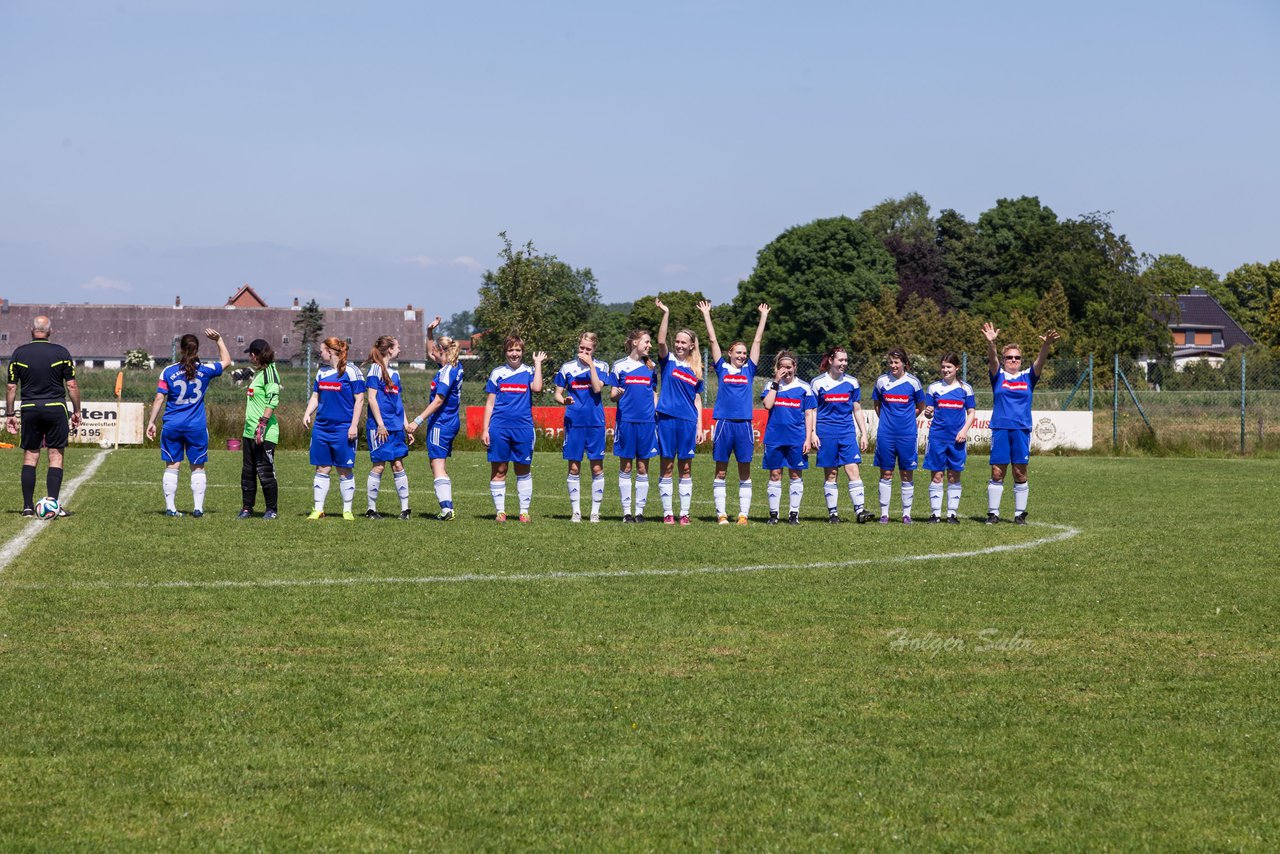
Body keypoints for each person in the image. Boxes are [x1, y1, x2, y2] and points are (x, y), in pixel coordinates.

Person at [145, 328, 232, 517]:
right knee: (198, 466)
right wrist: (219, 339)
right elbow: (226, 362)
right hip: (196, 426)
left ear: (181, 350)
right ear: (197, 349)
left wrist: (151, 422)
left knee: (172, 465)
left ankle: (171, 508)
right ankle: (198, 509)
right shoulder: (205, 370)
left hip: (172, 425)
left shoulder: (168, 371)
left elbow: (160, 398)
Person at [698, 299, 770, 525]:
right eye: (738, 352)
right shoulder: (722, 367)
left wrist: (763, 317)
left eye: (744, 352)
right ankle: (721, 514)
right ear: (730, 353)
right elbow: (712, 339)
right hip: (724, 424)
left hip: (744, 425)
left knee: (744, 471)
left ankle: (743, 515)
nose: (742, 355)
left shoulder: (749, 369)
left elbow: (758, 340)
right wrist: (707, 314)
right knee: (721, 471)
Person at [4, 315, 81, 517]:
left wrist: (10, 413)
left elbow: (12, 386)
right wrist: (77, 410)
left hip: (29, 407)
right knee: (55, 455)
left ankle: (28, 507)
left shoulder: (19, 353)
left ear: (32, 330)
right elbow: (71, 385)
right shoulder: (61, 352)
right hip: (56, 407)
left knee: (30, 455)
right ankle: (53, 504)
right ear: (50, 331)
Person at [983, 322, 1060, 524]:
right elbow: (992, 359)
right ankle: (993, 513)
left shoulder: (1028, 377)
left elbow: (1040, 362)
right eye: (1009, 357)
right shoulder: (998, 375)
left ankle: (1019, 514)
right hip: (1000, 428)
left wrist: (1046, 345)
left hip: (1021, 429)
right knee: (997, 471)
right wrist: (991, 343)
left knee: (1020, 471)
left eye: (1017, 357)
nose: (1013, 360)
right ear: (1004, 359)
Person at [481, 335, 546, 522]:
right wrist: (485, 429)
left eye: (518, 350)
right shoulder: (497, 373)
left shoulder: (529, 371)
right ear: (505, 352)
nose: (514, 354)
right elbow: (490, 404)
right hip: (499, 428)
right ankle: (500, 512)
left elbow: (537, 387)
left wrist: (538, 363)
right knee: (499, 469)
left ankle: (524, 511)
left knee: (523, 469)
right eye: (510, 350)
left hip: (523, 428)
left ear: (522, 352)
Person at [810, 346, 876, 524]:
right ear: (831, 360)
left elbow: (857, 408)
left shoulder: (852, 382)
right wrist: (813, 433)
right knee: (831, 474)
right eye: (840, 360)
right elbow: (812, 411)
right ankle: (833, 514)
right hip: (826, 433)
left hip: (847, 433)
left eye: (846, 360)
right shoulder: (817, 383)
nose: (844, 363)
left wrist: (863, 434)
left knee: (853, 469)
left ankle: (860, 511)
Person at [654, 298, 705, 525]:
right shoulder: (669, 361)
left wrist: (700, 426)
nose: (679, 345)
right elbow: (661, 340)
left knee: (685, 467)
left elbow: (697, 399)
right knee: (667, 465)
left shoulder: (696, 370)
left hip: (687, 421)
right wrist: (666, 312)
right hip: (666, 418)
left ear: (692, 345)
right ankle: (668, 513)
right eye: (678, 341)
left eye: (684, 342)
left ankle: (684, 513)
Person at [303, 337, 365, 520]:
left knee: (344, 469)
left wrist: (353, 425)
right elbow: (315, 396)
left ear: (330, 351)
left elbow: (360, 400)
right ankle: (318, 509)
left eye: (322, 350)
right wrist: (307, 413)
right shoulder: (321, 372)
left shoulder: (352, 371)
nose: (319, 353)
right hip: (321, 427)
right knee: (322, 468)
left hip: (343, 429)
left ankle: (347, 510)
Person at [554, 332, 610, 522]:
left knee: (596, 468)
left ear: (594, 349)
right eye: (582, 348)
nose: (584, 352)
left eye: (588, 349)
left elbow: (596, 388)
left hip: (595, 422)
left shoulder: (602, 366)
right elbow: (557, 394)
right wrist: (564, 400)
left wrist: (591, 365)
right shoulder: (567, 368)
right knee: (574, 468)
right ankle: (576, 512)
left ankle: (595, 512)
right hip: (573, 422)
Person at [407, 332, 463, 521]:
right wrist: (430, 332)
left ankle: (447, 509)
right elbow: (431, 351)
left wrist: (418, 420)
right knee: (439, 463)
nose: (431, 351)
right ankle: (447, 507)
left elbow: (439, 400)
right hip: (450, 421)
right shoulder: (453, 365)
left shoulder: (447, 371)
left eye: (434, 349)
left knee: (437, 464)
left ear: (441, 351)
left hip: (442, 422)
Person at [760, 351, 816, 524]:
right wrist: (776, 382)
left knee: (795, 475)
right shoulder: (771, 384)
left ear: (795, 367)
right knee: (775, 474)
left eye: (789, 367)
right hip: (774, 438)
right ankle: (774, 515)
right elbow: (767, 405)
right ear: (777, 368)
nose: (786, 370)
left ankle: (794, 514)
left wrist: (808, 438)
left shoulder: (805, 388)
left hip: (796, 438)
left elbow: (809, 414)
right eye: (782, 367)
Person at [872, 347, 926, 524]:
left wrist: (906, 419)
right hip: (886, 434)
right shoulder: (881, 382)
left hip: (907, 434)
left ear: (904, 363)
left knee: (906, 473)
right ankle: (884, 514)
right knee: (886, 473)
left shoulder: (914, 383)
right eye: (891, 362)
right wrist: (889, 421)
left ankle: (906, 514)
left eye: (896, 362)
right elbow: (877, 405)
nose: (893, 365)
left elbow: (920, 406)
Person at [609, 329, 659, 523]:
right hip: (626, 422)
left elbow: (653, 392)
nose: (649, 345)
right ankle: (626, 513)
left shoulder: (651, 366)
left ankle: (639, 512)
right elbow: (613, 395)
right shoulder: (619, 366)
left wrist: (655, 412)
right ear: (635, 342)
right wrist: (618, 394)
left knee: (642, 467)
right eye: (646, 342)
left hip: (647, 423)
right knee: (626, 466)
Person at [922, 352, 976, 524]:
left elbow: (971, 413)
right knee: (937, 475)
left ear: (957, 368)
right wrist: (928, 413)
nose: (945, 370)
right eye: (943, 367)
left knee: (954, 475)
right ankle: (935, 514)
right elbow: (929, 413)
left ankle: (951, 514)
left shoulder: (965, 389)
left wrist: (964, 431)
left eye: (949, 367)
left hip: (957, 439)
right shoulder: (933, 388)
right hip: (937, 437)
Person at [363, 336, 412, 520]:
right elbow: (371, 398)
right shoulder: (375, 369)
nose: (400, 349)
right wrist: (380, 424)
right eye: (398, 346)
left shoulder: (396, 373)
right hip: (379, 427)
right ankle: (370, 509)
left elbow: (398, 401)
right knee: (379, 465)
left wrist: (406, 424)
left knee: (398, 464)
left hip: (396, 426)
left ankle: (405, 509)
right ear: (389, 349)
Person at [237, 338, 281, 520]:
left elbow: (273, 400)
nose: (249, 357)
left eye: (250, 354)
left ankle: (271, 510)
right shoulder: (259, 373)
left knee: (265, 471)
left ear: (254, 356)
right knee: (248, 472)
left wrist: (262, 424)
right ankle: (247, 507)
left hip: (264, 432)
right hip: (249, 431)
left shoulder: (270, 373)